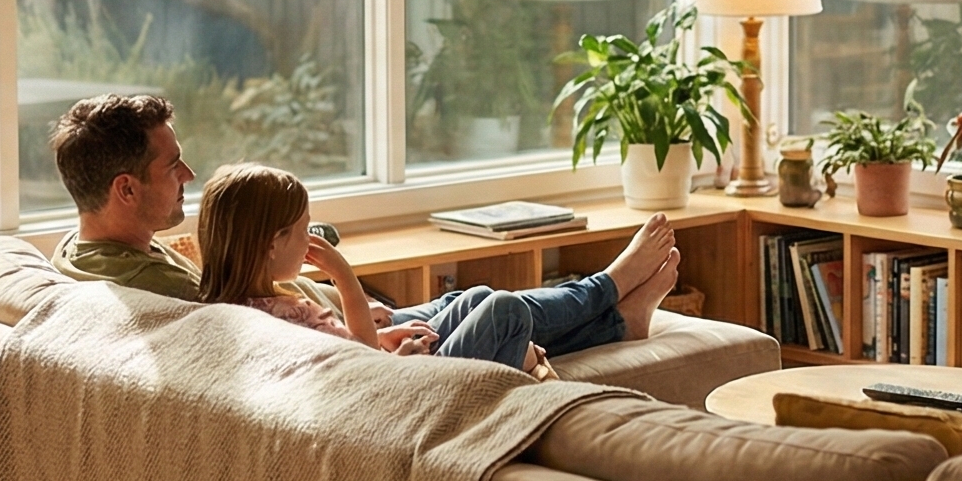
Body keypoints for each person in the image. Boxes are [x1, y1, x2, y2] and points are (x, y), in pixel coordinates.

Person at [193, 163, 681, 377]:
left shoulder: (247, 304)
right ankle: (609, 291)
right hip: (402, 387)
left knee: (473, 299)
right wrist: (342, 276)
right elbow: (358, 373)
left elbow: (343, 351)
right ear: (272, 242)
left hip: (390, 366)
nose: (312, 241)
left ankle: (619, 320)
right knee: (503, 311)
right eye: (302, 231)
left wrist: (387, 340)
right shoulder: (280, 316)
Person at [46, 93, 203, 299]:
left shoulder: (70, 250)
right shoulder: (172, 289)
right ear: (127, 189)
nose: (189, 175)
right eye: (173, 166)